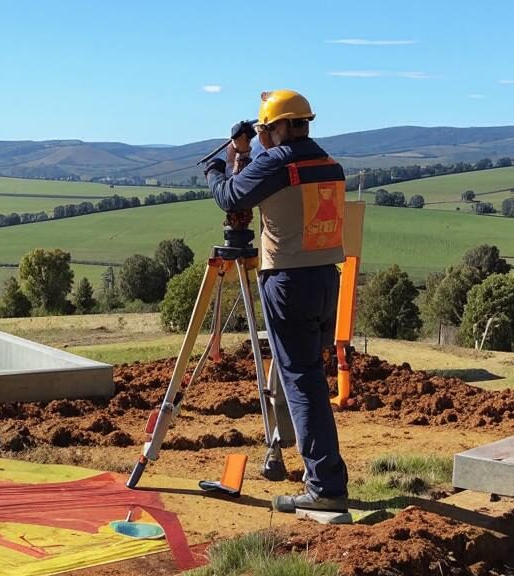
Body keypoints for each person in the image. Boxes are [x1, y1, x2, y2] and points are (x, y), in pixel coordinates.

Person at [204, 90, 349, 513]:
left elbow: (232, 197)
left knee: (301, 382)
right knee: (310, 380)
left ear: (284, 126)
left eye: (267, 129)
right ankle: (324, 476)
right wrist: (246, 157)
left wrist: (219, 167)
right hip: (325, 278)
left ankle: (324, 486)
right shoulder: (328, 163)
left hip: (288, 281)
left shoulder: (277, 161)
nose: (263, 136)